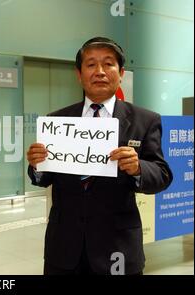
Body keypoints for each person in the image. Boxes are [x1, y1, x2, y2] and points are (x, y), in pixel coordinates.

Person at [26, 37, 173, 275]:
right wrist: (37, 165)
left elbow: (162, 175)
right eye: (91, 64)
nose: (100, 71)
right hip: (64, 248)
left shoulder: (145, 120)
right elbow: (42, 178)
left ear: (121, 72)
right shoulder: (57, 121)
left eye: (108, 64)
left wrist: (138, 168)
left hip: (118, 246)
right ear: (79, 73)